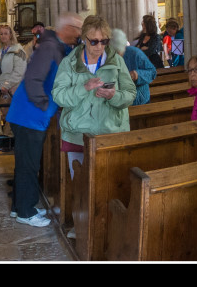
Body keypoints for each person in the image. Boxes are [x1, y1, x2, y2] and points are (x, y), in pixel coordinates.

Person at [7, 12, 82, 227]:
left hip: (27, 114)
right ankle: (26, 212)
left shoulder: (54, 45)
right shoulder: (50, 47)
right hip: (29, 115)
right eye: (76, 28)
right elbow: (32, 80)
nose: (78, 33)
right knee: (29, 165)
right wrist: (45, 106)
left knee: (24, 163)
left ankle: (19, 206)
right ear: (66, 29)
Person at [51, 14, 137, 181]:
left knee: (110, 184)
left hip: (111, 133)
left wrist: (114, 96)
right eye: (94, 41)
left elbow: (130, 94)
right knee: (81, 187)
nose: (99, 46)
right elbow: (58, 96)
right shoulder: (69, 63)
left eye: (104, 41)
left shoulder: (117, 62)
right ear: (84, 39)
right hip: (78, 135)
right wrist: (84, 88)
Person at [0, 23, 27, 136]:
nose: (3, 36)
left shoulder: (18, 50)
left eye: (6, 33)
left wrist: (6, 85)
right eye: (1, 34)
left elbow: (19, 71)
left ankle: (9, 136)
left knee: (11, 112)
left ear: (11, 35)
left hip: (13, 86)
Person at [112, 28, 157, 106]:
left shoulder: (135, 53)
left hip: (139, 101)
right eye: (114, 52)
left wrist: (137, 75)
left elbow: (152, 72)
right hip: (118, 103)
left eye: (119, 52)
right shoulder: (106, 57)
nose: (118, 56)